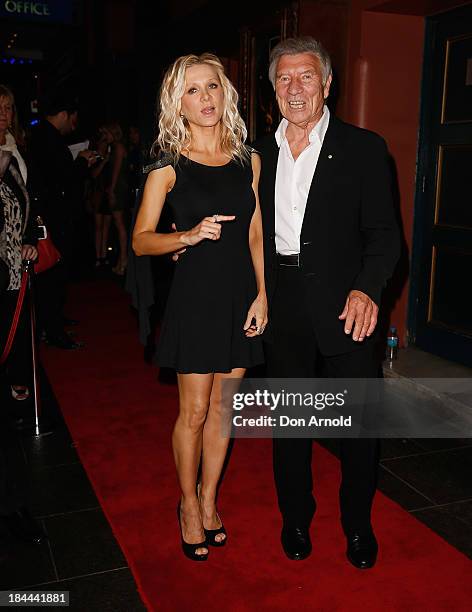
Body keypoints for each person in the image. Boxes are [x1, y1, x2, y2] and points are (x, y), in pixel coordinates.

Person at [255, 37, 400, 568]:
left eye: (306, 77)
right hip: (282, 303)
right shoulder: (254, 153)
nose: (296, 89)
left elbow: (385, 235)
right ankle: (295, 518)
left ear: (328, 84)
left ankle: (357, 526)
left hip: (347, 302)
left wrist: (367, 288)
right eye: (285, 79)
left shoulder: (364, 148)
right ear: (272, 89)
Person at [132, 53, 267, 560]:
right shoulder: (167, 166)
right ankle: (187, 504)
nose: (205, 98)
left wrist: (264, 293)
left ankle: (210, 500)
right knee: (192, 411)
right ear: (177, 102)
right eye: (192, 90)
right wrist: (184, 235)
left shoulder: (247, 159)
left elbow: (255, 231)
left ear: (224, 93)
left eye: (211, 86)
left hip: (238, 295)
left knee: (223, 409)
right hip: (195, 298)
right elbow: (141, 242)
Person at [27, 92, 96, 349]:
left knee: (54, 273)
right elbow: (60, 180)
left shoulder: (42, 136)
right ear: (65, 114)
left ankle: (52, 320)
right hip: (54, 217)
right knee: (53, 271)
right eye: (73, 119)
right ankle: (53, 328)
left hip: (51, 214)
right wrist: (80, 162)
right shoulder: (48, 139)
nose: (73, 125)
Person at [0, 84, 37, 401]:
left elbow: (25, 197)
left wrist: (27, 238)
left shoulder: (15, 145)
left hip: (15, 249)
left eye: (8, 108)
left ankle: (16, 374)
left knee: (15, 316)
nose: (3, 114)